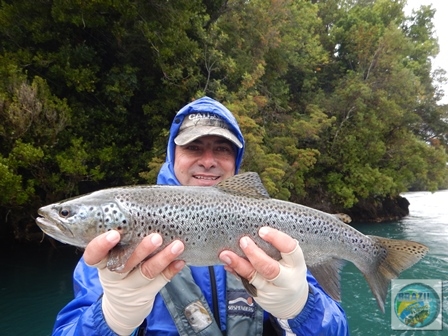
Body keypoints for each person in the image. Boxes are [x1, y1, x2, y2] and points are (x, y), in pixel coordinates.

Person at [52, 96, 349, 335]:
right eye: (194, 147)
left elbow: (336, 330)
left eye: (221, 149)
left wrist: (299, 307)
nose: (208, 161)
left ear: (237, 160)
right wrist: (112, 318)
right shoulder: (107, 257)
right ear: (173, 156)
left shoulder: (276, 229)